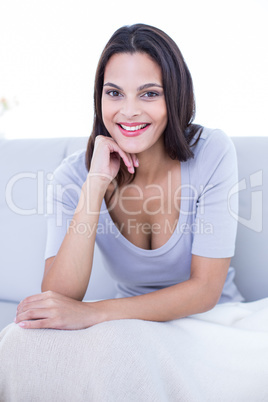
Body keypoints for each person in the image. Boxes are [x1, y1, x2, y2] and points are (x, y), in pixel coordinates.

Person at [14, 23, 244, 331]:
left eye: (149, 93)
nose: (129, 111)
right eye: (114, 93)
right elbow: (58, 300)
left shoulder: (211, 151)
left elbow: (205, 290)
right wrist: (94, 185)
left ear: (175, 98)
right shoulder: (71, 175)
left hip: (216, 324)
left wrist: (94, 313)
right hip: (132, 329)